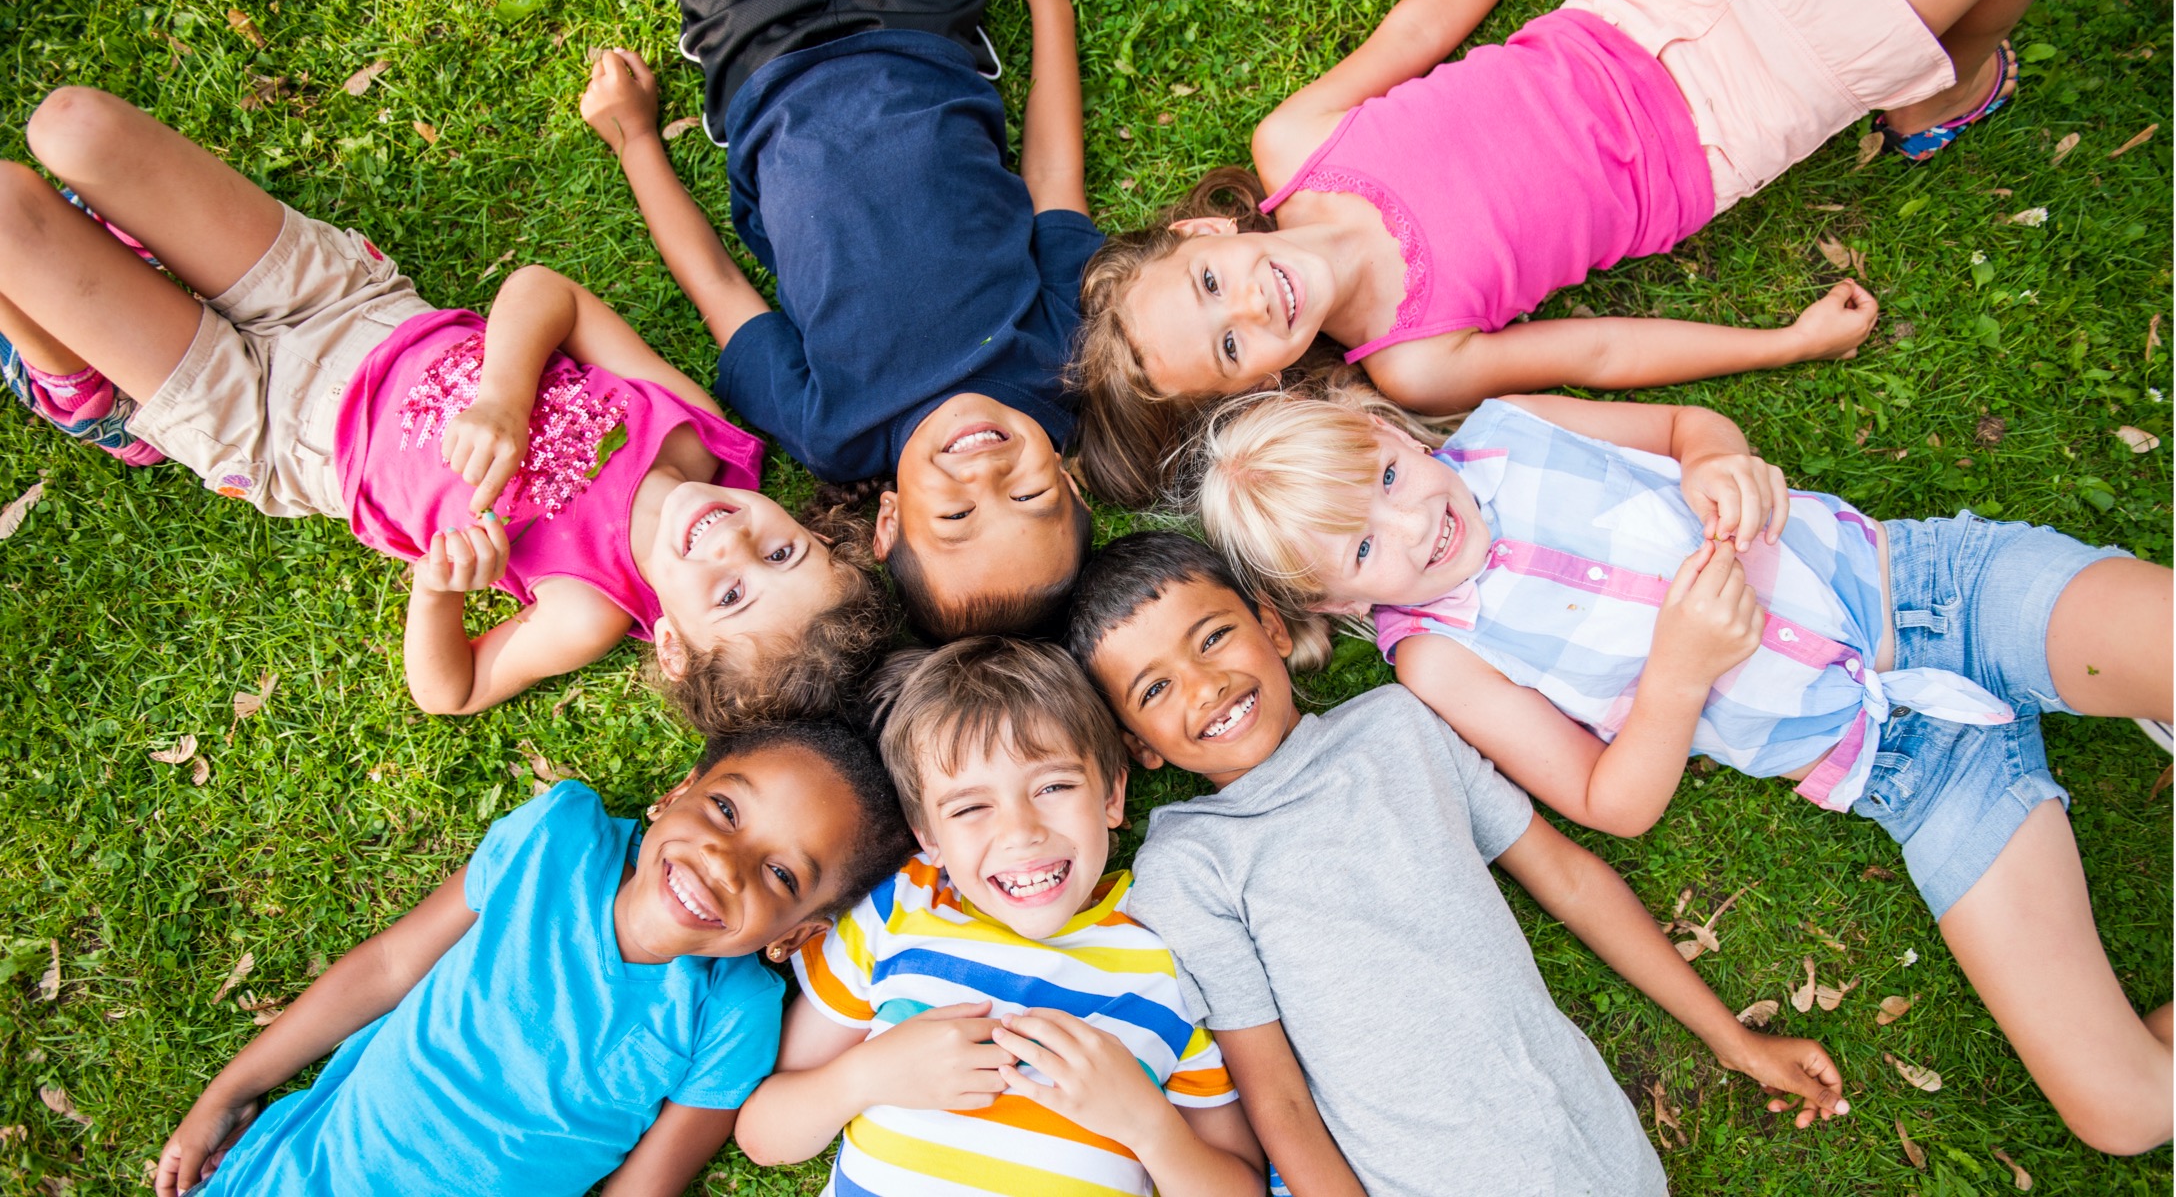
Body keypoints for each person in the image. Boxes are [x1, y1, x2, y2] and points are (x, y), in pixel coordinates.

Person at [1186, 388, 2175, 1153]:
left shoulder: (1506, 427)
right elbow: (1607, 803)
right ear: (1335, 606)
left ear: (1388, 430)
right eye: (1364, 548)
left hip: (1931, 593)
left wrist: (1717, 460)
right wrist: (1678, 672)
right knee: (2124, 1112)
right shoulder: (1439, 656)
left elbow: (1682, 423)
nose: (1412, 529)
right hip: (1911, 769)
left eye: (1387, 482)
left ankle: (2114, 674)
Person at [0, 86, 894, 720]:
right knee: (71, 124)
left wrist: (436, 591)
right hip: (346, 304)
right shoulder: (697, 434)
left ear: (673, 646)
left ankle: (92, 396)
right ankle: (102, 317)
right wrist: (507, 393)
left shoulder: (588, 609)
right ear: (813, 525)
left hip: (272, 430)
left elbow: (451, 691)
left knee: (9, 211)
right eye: (784, 550)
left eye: (733, 593)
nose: (736, 541)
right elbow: (552, 293)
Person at [1065, 0, 2046, 505]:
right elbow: (1603, 351)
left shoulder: (1295, 146)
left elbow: (1420, 28)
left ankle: (1945, 87)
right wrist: (1783, 344)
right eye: (1229, 346)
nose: (1245, 306)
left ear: (1200, 232)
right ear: (1264, 387)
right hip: (1724, 125)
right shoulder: (1411, 361)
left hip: (1637, 3)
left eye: (1205, 285)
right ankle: (1941, 85)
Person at [1064, 531, 1848, 1194]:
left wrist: (1731, 1039)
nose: (1204, 686)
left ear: (1271, 626)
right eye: (1156, 688)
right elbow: (1279, 1101)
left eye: (1212, 637)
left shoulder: (1399, 727)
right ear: (1137, 745)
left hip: (1599, 1154)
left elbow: (1568, 878)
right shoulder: (1190, 864)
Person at [152, 719, 919, 1197]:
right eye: (725, 809)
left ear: (796, 935)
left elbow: (645, 1186)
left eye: (782, 875)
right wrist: (228, 1091)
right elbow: (388, 967)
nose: (725, 863)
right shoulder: (559, 840)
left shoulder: (733, 1013)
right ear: (677, 792)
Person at [581, 0, 1103, 641]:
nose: (985, 475)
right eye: (1029, 497)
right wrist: (1047, 1)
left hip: (759, 55)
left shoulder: (833, 432)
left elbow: (717, 286)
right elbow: (1056, 183)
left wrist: (636, 142)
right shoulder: (1063, 358)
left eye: (956, 516)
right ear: (1070, 483)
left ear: (890, 521)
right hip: (919, 21)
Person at [733, 637, 1265, 1195]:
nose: (1020, 832)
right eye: (970, 807)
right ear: (927, 837)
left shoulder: (1169, 956)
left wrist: (1148, 1126)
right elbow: (764, 1136)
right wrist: (864, 1078)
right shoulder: (900, 912)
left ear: (1112, 796)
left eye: (1053, 786)